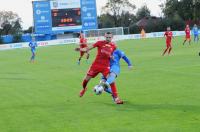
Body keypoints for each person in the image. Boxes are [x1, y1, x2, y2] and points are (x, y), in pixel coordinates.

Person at [77, 32, 123, 104]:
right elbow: (88, 48)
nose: (108, 38)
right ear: (105, 37)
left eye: (109, 37)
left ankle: (116, 98)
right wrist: (81, 49)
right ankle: (84, 89)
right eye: (107, 37)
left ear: (112, 37)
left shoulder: (114, 46)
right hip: (96, 65)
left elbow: (111, 55)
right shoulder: (99, 43)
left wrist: (112, 57)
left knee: (111, 80)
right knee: (86, 80)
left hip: (105, 66)